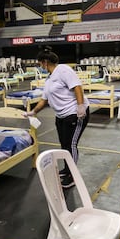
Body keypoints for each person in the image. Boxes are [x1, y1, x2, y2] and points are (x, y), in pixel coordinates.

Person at [24, 46, 90, 188]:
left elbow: (77, 87)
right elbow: (44, 100)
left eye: (39, 63)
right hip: (61, 116)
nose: (39, 66)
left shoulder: (63, 70)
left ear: (45, 62)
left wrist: (80, 107)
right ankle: (67, 170)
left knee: (71, 144)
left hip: (75, 113)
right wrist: (33, 112)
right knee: (64, 145)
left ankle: (73, 176)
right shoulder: (49, 79)